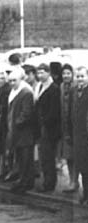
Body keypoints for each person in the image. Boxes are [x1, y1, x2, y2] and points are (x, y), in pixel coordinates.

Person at [7, 68, 37, 194]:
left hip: (24, 132)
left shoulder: (26, 92)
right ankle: (23, 181)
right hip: (17, 131)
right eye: (10, 81)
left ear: (20, 80)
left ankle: (26, 182)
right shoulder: (14, 91)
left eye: (14, 80)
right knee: (21, 157)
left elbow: (26, 112)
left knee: (26, 158)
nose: (12, 83)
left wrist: (17, 122)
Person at [35, 63, 61, 193]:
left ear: (48, 73)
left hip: (49, 128)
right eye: (38, 73)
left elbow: (54, 110)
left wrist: (45, 121)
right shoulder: (39, 86)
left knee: (48, 156)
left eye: (42, 72)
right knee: (43, 156)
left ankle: (50, 183)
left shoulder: (53, 88)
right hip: (41, 126)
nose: (40, 75)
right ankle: (46, 180)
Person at [71, 67, 88, 205]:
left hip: (86, 134)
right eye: (78, 76)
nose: (80, 79)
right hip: (78, 135)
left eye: (82, 76)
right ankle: (85, 193)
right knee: (82, 166)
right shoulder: (75, 92)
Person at [60, 64, 78, 193]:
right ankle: (72, 180)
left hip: (74, 126)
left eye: (68, 73)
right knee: (68, 156)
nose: (66, 76)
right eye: (64, 73)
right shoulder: (61, 87)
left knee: (76, 156)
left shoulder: (75, 87)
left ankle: (75, 181)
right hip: (64, 126)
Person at [0, 70, 11, 179]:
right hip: (0, 119)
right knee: (1, 144)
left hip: (5, 119)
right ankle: (2, 167)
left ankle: (4, 168)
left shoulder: (6, 89)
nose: (0, 80)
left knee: (5, 144)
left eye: (2, 78)